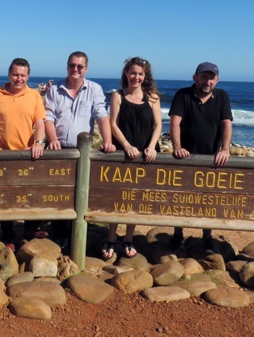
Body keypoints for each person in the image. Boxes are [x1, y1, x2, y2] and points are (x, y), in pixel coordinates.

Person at [44, 51, 116, 248]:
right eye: (71, 65)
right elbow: (48, 117)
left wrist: (108, 141)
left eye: (79, 66)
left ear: (86, 68)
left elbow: (102, 116)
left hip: (82, 152)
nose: (75, 69)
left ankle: (76, 233)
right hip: (57, 149)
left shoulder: (95, 89)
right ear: (67, 66)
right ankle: (60, 235)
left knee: (80, 191)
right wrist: (51, 139)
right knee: (58, 193)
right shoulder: (54, 89)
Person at [169, 61, 233, 251]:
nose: (207, 81)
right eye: (204, 76)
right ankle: (177, 234)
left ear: (217, 80)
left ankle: (207, 236)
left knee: (209, 198)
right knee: (181, 196)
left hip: (212, 158)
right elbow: (174, 122)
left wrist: (225, 149)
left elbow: (226, 124)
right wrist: (177, 147)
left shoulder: (222, 96)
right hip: (185, 157)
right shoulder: (183, 95)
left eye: (211, 77)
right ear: (195, 78)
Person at [104, 57, 162, 259]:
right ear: (126, 74)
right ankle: (111, 237)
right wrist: (127, 145)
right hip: (123, 153)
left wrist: (152, 146)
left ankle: (128, 238)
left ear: (145, 76)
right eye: (133, 73)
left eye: (140, 73)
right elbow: (113, 124)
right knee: (117, 196)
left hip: (146, 154)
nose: (136, 77)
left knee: (135, 197)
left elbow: (158, 125)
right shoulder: (118, 96)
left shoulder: (152, 96)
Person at [0, 58, 46, 249]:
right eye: (15, 74)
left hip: (26, 154)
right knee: (5, 197)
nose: (19, 79)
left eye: (22, 75)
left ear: (28, 76)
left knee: (28, 192)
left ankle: (29, 229)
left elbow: (39, 122)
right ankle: (8, 235)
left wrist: (38, 142)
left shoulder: (34, 95)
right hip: (0, 154)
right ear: (9, 74)